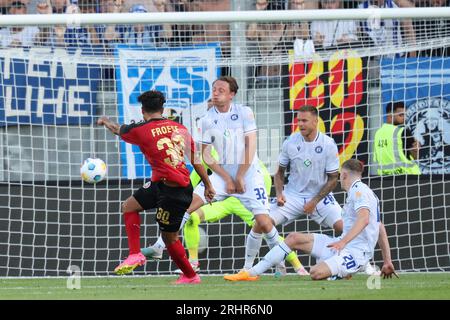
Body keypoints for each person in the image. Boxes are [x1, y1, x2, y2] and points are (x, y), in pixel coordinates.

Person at [143, 76, 284, 275]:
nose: (216, 93)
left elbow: (250, 145)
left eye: (221, 90)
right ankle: (159, 245)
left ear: (232, 94)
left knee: (263, 222)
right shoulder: (206, 119)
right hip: (222, 174)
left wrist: (240, 176)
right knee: (188, 205)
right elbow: (206, 154)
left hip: (250, 174)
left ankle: (274, 263)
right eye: (214, 89)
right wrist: (226, 178)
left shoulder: (244, 112)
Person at [97, 90, 215, 285]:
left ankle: (191, 276)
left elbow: (118, 129)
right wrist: (208, 184)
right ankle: (135, 254)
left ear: (143, 111)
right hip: (163, 184)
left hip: (174, 191)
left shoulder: (140, 129)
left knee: (169, 239)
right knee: (129, 206)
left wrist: (105, 121)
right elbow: (195, 159)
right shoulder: (179, 128)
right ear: (163, 109)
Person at [224, 159, 398, 281]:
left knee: (315, 272)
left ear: (343, 175)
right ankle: (251, 272)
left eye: (339, 177)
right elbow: (379, 226)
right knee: (293, 238)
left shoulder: (359, 191)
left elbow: (365, 220)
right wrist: (387, 261)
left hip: (355, 253)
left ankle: (349, 270)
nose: (338, 180)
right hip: (340, 245)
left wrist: (343, 242)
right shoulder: (359, 191)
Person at [226, 105, 342, 281]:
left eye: (304, 120)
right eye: (298, 121)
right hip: (293, 195)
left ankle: (361, 265)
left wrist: (315, 200)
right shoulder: (290, 142)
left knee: (344, 227)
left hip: (320, 196)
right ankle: (247, 269)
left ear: (315, 121)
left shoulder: (328, 145)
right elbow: (279, 172)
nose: (300, 124)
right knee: (261, 221)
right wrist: (279, 193)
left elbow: (334, 178)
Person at [373, 101, 421, 175]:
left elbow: (376, 158)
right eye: (401, 115)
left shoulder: (378, 133)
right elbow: (415, 156)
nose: (404, 118)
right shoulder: (402, 131)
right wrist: (417, 149)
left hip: (385, 177)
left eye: (405, 115)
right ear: (390, 116)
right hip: (408, 176)